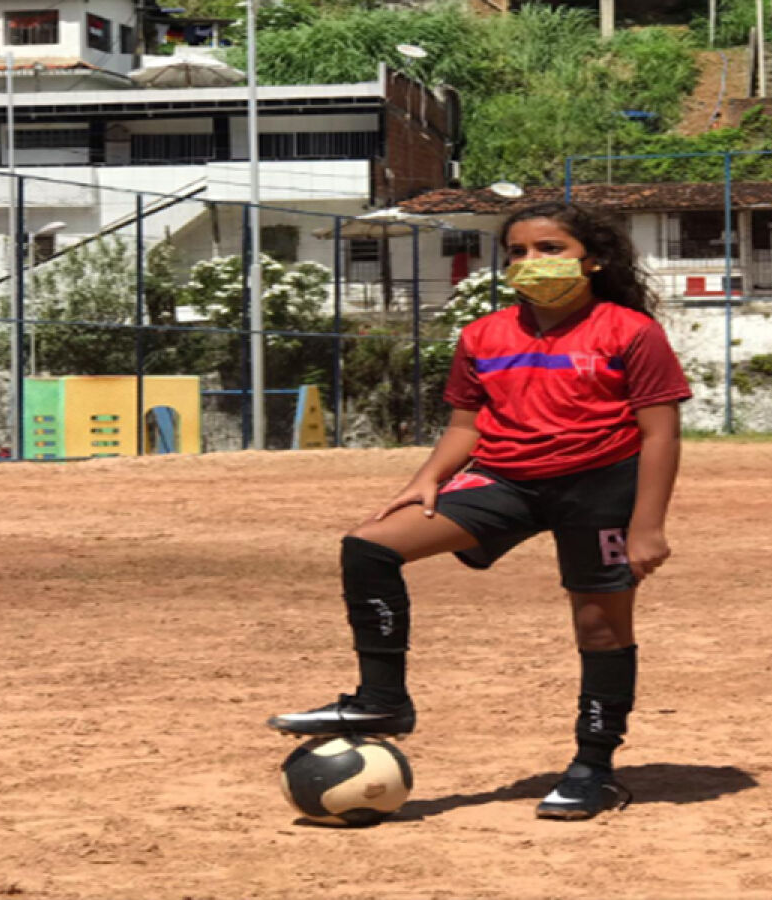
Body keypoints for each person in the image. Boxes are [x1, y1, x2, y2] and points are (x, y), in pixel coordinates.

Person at [268, 201, 692, 820]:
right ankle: (383, 698)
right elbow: (466, 425)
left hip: (598, 487)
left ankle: (592, 767)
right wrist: (426, 478)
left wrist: (647, 526)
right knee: (370, 546)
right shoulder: (483, 335)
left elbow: (661, 435)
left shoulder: (629, 331)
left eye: (550, 250)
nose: (530, 263)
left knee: (600, 627)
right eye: (517, 252)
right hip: (505, 479)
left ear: (592, 260)